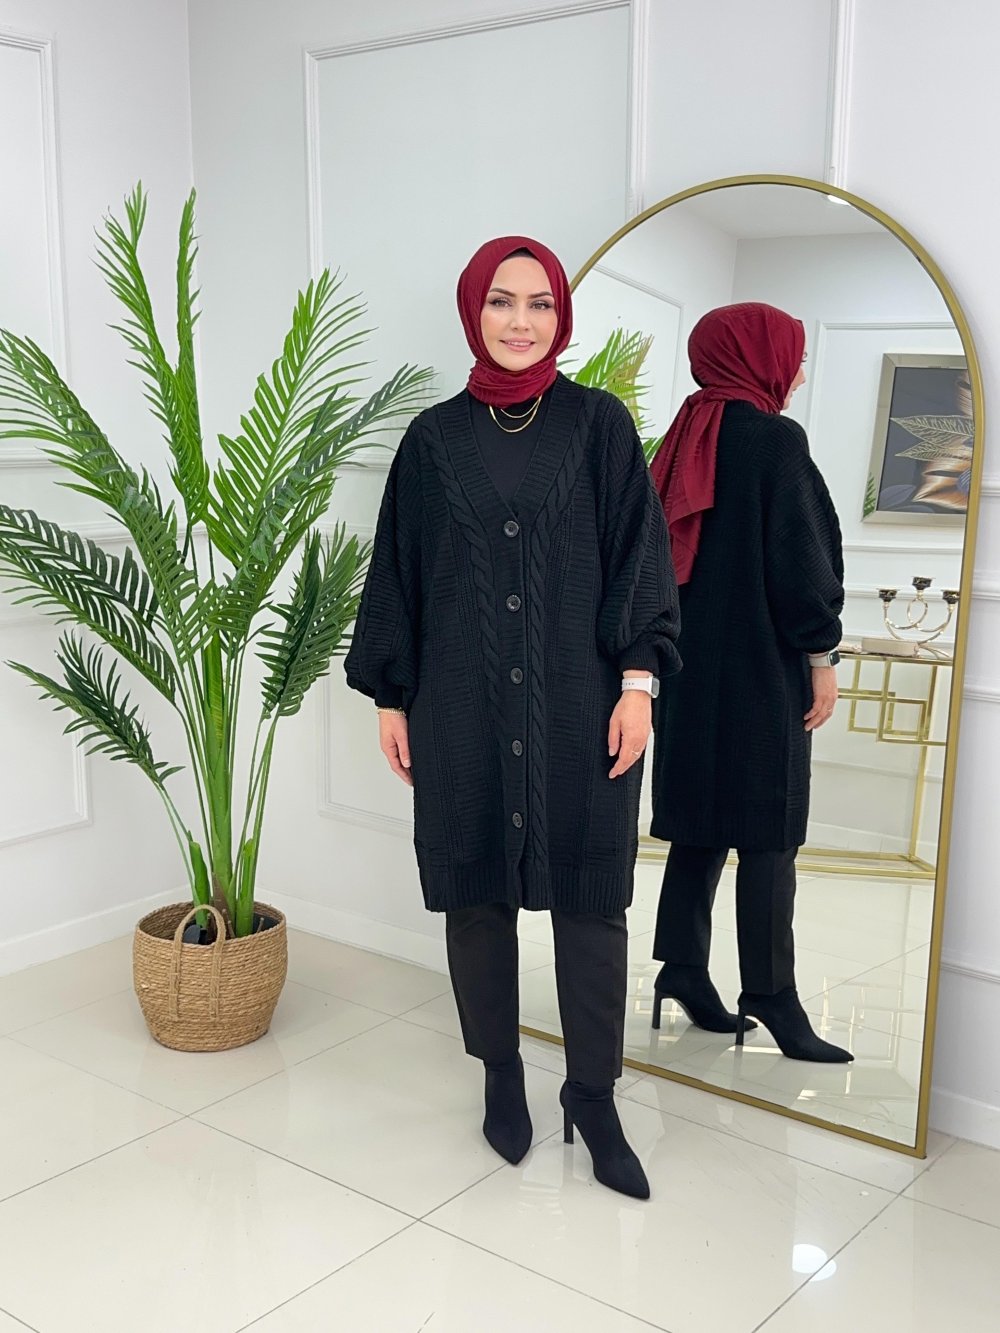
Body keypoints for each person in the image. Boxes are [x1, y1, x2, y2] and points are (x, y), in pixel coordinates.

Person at [344, 237, 680, 1198]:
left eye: (540, 303)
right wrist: (393, 696)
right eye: (502, 301)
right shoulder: (431, 441)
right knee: (476, 896)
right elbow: (399, 573)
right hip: (459, 706)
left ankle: (593, 1094)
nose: (521, 321)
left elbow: (640, 558)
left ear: (560, 317)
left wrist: (638, 684)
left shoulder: (600, 426)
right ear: (473, 310)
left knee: (592, 901)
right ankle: (500, 1072)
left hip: (585, 708)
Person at [647, 302, 852, 1063]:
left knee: (699, 824)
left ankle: (681, 968)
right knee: (770, 834)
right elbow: (804, 564)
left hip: (686, 672)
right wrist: (821, 657)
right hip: (763, 673)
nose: (797, 374)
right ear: (760, 358)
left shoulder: (683, 437)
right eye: (793, 357)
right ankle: (770, 993)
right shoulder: (773, 440)